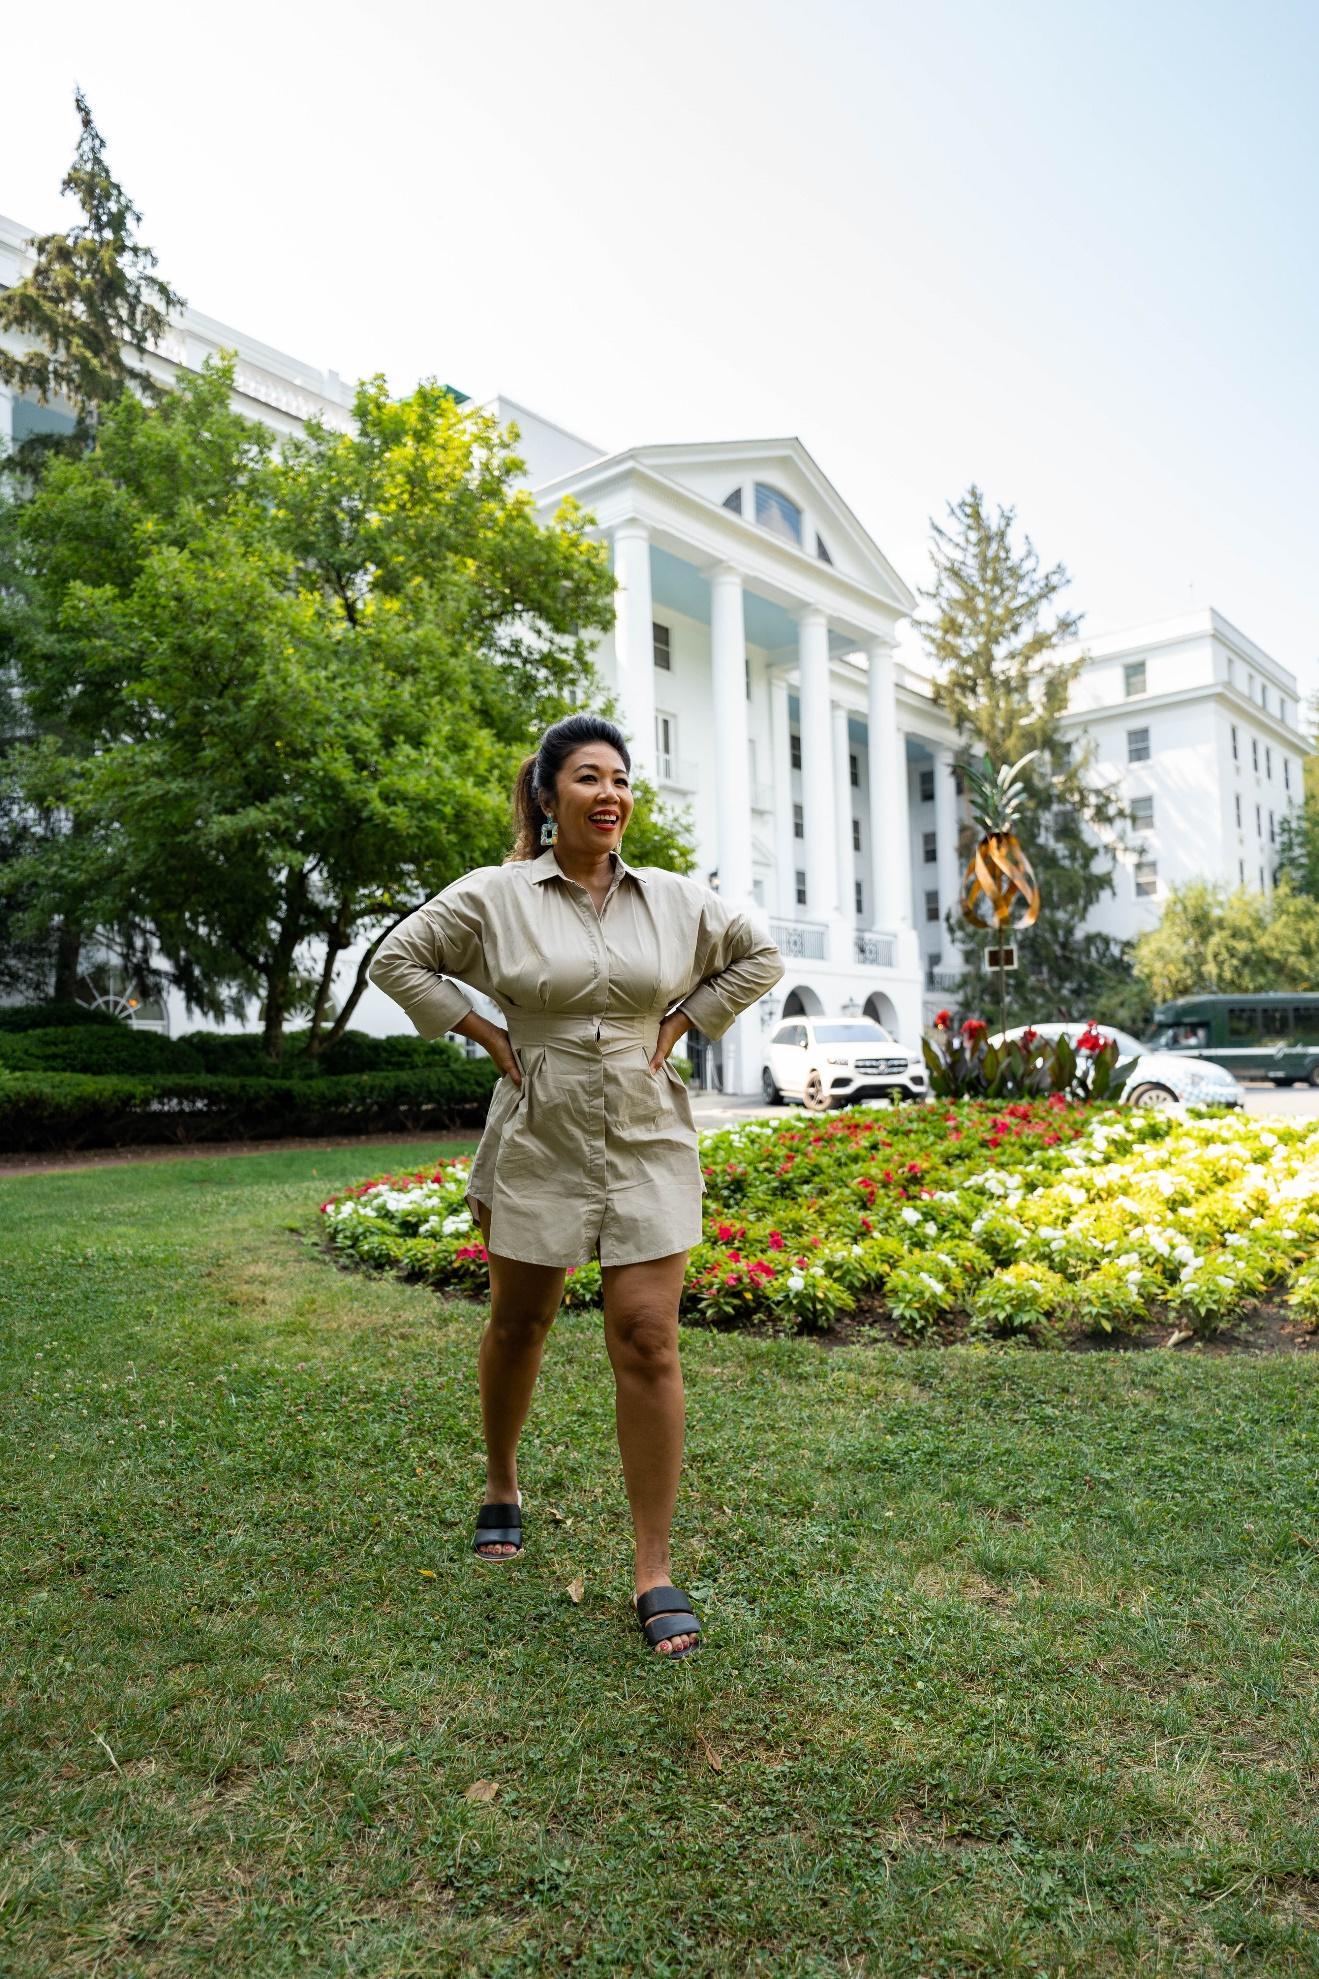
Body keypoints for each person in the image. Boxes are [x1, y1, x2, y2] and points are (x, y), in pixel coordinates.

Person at [368, 713, 786, 1658]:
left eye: (622, 779)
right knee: (521, 1322)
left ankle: (653, 1568)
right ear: (548, 794)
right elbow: (396, 957)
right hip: (540, 1127)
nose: (611, 795)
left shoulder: (674, 899)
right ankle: (501, 1480)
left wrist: (681, 1023)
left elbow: (758, 955)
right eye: (590, 777)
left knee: (647, 1336)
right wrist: (483, 1031)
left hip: (645, 1130)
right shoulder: (495, 895)